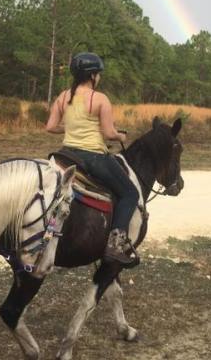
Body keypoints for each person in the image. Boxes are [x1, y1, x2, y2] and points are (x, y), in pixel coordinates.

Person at [45, 52, 139, 265]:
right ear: (93, 76)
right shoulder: (100, 99)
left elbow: (50, 127)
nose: (100, 78)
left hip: (67, 154)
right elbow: (108, 134)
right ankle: (115, 244)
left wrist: (70, 127)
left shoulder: (62, 97)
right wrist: (120, 135)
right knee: (130, 193)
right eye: (99, 74)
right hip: (93, 157)